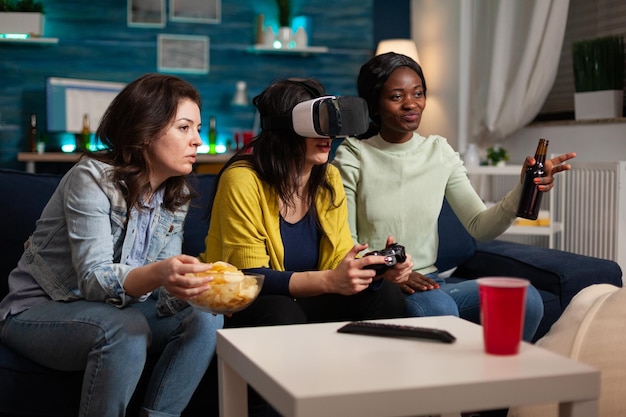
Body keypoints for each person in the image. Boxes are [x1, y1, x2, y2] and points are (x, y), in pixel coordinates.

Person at [0, 73, 224, 417]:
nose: (197, 141)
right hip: (36, 309)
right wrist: (163, 272)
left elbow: (161, 297)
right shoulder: (90, 178)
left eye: (196, 128)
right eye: (184, 128)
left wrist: (197, 287)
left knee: (206, 318)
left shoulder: (173, 195)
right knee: (126, 329)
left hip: (118, 310)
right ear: (146, 130)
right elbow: (94, 279)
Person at [332, 52, 577, 342]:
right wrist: (390, 273)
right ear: (374, 105)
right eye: (397, 96)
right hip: (380, 286)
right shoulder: (354, 155)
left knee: (525, 298)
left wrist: (524, 188)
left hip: (431, 282)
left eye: (418, 93)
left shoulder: (439, 152)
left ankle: (501, 380)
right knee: (439, 306)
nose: (411, 104)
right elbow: (345, 242)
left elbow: (481, 226)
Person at [200, 77, 410, 328]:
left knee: (385, 294)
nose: (327, 135)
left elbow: (336, 262)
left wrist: (376, 271)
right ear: (283, 128)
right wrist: (329, 281)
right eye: (315, 123)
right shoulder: (242, 179)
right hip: (243, 299)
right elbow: (250, 276)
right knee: (282, 311)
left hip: (308, 299)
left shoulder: (328, 177)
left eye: (328, 123)